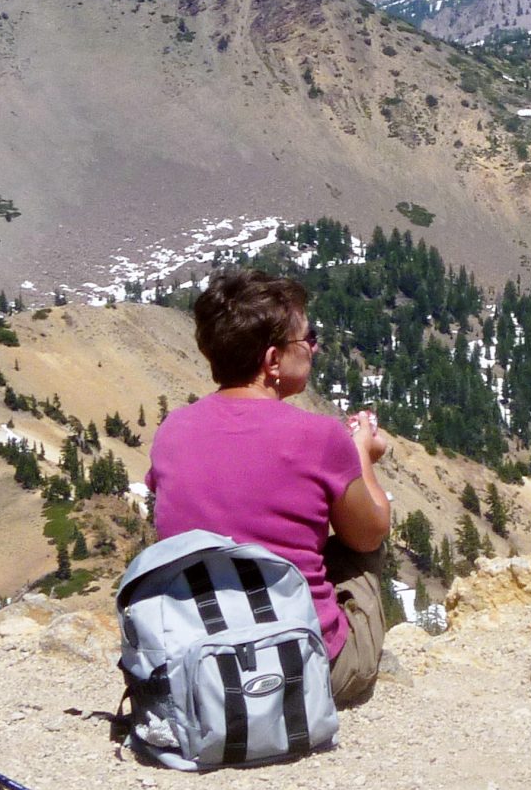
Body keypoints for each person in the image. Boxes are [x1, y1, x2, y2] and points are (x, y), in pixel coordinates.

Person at [147, 269, 393, 707]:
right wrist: (361, 458)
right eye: (308, 339)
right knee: (356, 547)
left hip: (200, 668)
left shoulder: (172, 429)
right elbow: (369, 531)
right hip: (302, 672)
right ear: (273, 361)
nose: (314, 348)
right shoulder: (317, 436)